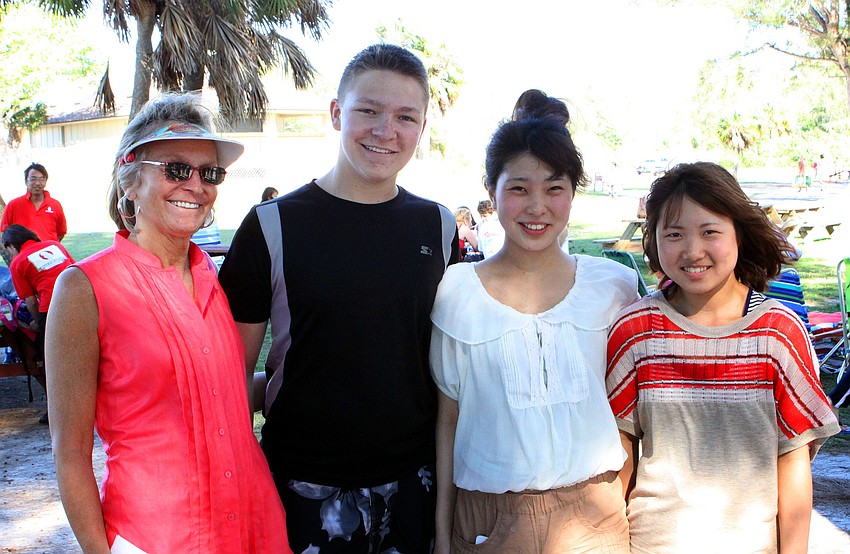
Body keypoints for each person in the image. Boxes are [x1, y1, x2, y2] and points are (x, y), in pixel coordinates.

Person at [219, 44, 458, 553]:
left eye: (404, 117)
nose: (384, 130)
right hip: (301, 484)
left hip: (412, 483)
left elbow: (445, 365)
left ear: (420, 127)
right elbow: (230, 377)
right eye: (368, 111)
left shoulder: (438, 226)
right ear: (335, 113)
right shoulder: (271, 226)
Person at [46, 93, 290, 553]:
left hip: (254, 527)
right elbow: (71, 453)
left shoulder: (216, 280)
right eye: (177, 168)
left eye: (210, 173)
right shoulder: (84, 289)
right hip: (158, 537)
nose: (196, 185)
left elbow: (225, 395)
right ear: (130, 179)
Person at [431, 92, 636, 553]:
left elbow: (633, 412)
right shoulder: (457, 292)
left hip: (598, 515)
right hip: (489, 518)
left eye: (554, 188)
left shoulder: (615, 288)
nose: (537, 206)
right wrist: (441, 534)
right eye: (519, 188)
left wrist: (621, 501)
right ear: (492, 193)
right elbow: (448, 419)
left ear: (573, 194)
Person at [606, 162, 840, 553]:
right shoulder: (635, 329)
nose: (692, 251)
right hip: (652, 544)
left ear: (739, 233)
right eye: (674, 234)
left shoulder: (778, 333)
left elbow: (794, 461)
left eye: (709, 231)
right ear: (656, 241)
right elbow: (621, 454)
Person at [4, 224, 74, 425]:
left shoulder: (18, 262)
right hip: (79, 298)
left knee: (48, 359)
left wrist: (36, 322)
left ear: (10, 245)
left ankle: (58, 410)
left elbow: (30, 301)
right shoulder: (54, 245)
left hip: (52, 306)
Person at [0, 163, 67, 243]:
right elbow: (5, 232)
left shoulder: (55, 205)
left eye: (42, 179)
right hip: (24, 253)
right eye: (33, 179)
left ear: (45, 182)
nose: (38, 183)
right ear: (26, 182)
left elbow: (61, 233)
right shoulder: (13, 205)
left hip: (49, 253)